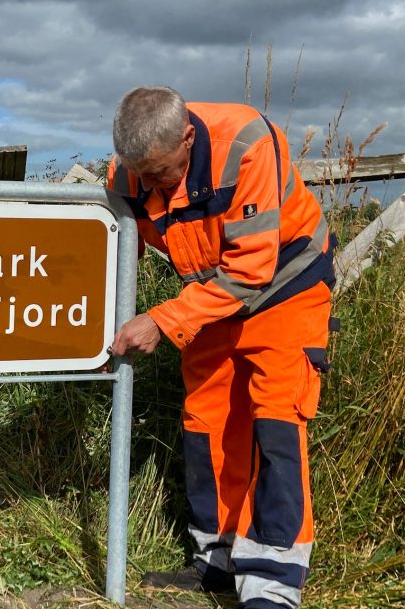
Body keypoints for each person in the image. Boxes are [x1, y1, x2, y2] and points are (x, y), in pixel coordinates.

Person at [107, 86, 336, 609]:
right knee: (207, 418)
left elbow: (251, 271)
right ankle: (217, 560)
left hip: (285, 286)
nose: (152, 186)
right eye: (142, 175)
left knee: (277, 419)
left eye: (163, 174)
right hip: (210, 296)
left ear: (188, 136)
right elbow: (124, 249)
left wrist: (162, 321)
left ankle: (273, 583)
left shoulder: (247, 143)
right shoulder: (129, 172)